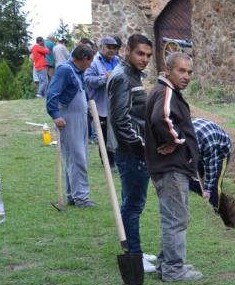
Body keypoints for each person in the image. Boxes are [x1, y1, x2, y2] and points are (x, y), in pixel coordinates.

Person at [144, 52, 202, 282]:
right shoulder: (166, 92)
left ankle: (167, 262)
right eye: (181, 71)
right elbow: (162, 118)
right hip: (170, 168)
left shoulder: (166, 91)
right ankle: (174, 270)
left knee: (176, 217)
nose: (187, 76)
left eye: (189, 72)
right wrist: (175, 140)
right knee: (176, 219)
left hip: (171, 167)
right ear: (168, 70)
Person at [108, 34, 158, 273]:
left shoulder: (132, 75)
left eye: (148, 55)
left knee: (133, 202)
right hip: (131, 152)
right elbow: (121, 121)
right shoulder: (122, 78)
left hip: (135, 151)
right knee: (133, 205)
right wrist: (141, 148)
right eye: (140, 53)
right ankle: (134, 254)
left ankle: (135, 249)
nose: (145, 59)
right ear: (127, 50)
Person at [46, 45, 96, 208]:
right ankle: (82, 197)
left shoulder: (77, 71)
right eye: (89, 61)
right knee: (77, 158)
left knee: (77, 157)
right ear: (83, 59)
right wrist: (56, 115)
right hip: (69, 118)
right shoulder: (65, 70)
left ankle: (73, 196)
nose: (90, 65)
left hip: (80, 118)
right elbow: (52, 93)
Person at [85, 36, 122, 167]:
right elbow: (88, 79)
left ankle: (118, 160)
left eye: (114, 48)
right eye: (109, 47)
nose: (112, 50)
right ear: (101, 47)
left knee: (117, 134)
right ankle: (108, 163)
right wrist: (104, 78)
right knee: (104, 136)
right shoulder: (94, 62)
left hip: (116, 105)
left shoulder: (118, 61)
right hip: (100, 106)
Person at [188, 118, 232, 212]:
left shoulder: (208, 144)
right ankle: (200, 199)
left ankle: (214, 210)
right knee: (190, 178)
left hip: (220, 151)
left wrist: (207, 190)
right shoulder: (183, 136)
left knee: (214, 184)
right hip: (200, 144)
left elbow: (211, 167)